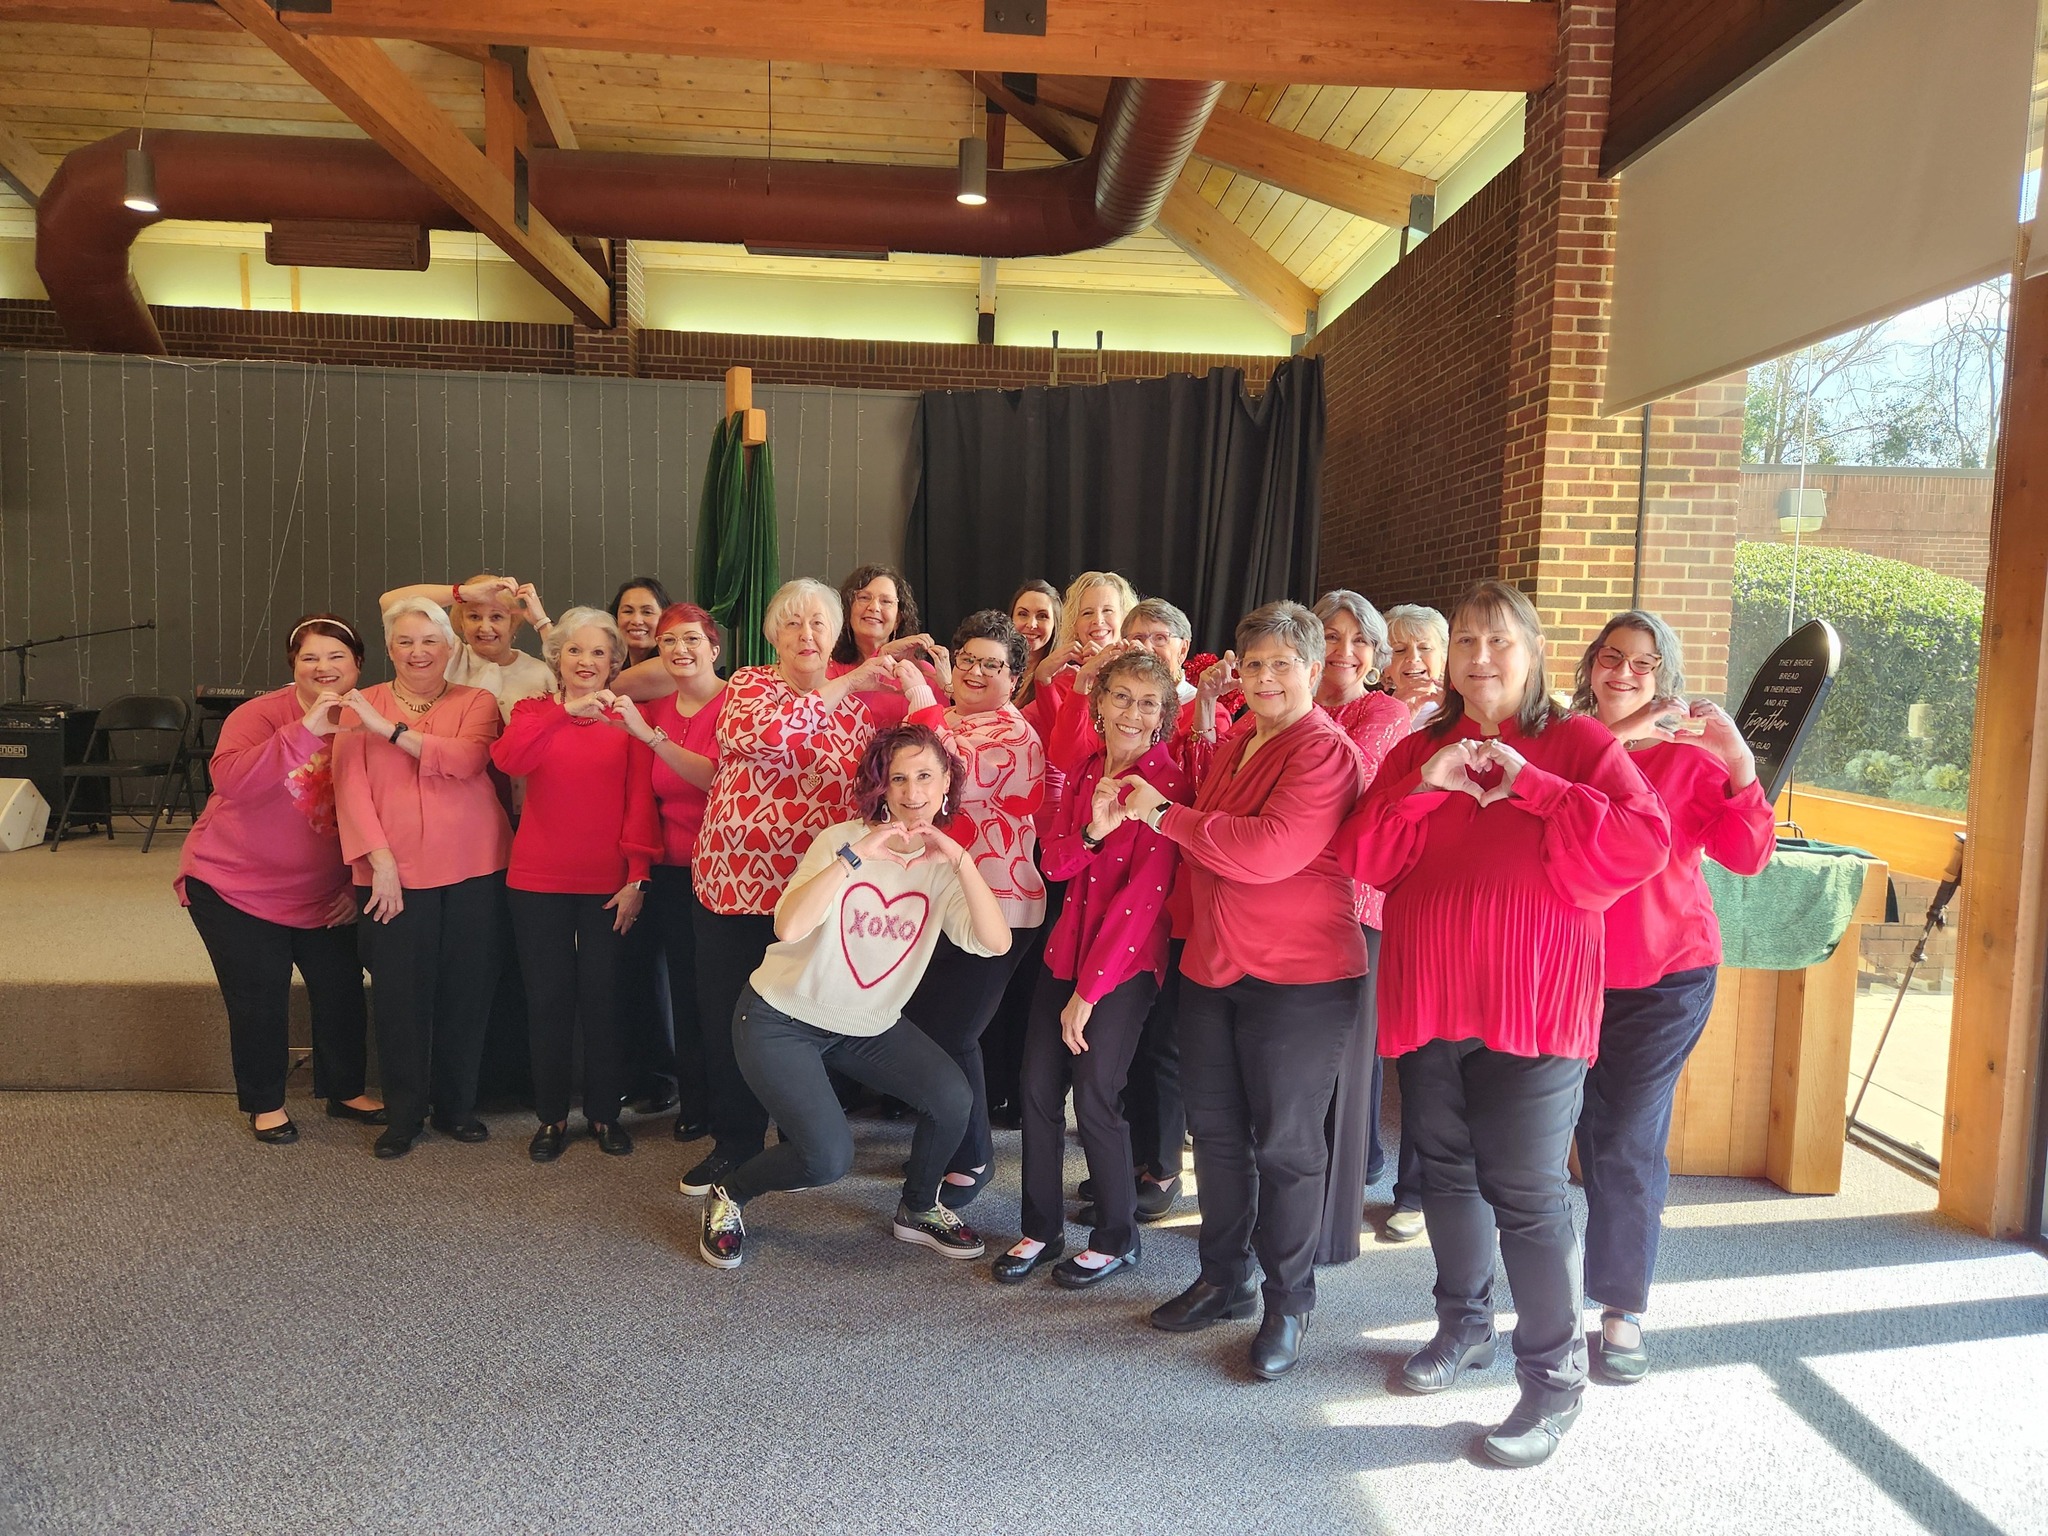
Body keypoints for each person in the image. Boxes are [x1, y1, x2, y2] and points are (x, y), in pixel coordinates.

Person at [1339, 580, 1669, 1469]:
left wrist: (1537, 786)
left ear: (1534, 654)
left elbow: (1644, 842)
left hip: (1535, 1000)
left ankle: (1554, 1382)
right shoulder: (1422, 746)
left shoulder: (1579, 742)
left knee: (1526, 1191)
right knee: (1446, 1173)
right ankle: (1464, 1325)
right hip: (1433, 991)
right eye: (1466, 642)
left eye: (1500, 642)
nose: (1481, 657)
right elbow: (1360, 855)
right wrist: (1425, 787)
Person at [1119, 601, 1367, 1382]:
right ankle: (1225, 1279)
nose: (1265, 678)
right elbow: (1215, 843)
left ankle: (1289, 1304)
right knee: (1218, 1138)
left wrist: (1166, 815)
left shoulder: (1323, 750)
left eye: (1281, 664)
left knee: (1286, 1147)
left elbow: (1267, 852)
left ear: (1313, 669)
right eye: (1253, 664)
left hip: (1300, 978)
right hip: (1215, 967)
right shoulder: (1237, 740)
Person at [694, 724, 1012, 1270]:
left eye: (925, 777)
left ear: (946, 785)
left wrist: (960, 859)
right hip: (780, 1016)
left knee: (952, 1098)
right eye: (899, 779)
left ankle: (918, 1207)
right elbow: (788, 927)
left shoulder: (945, 868)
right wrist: (855, 855)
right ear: (882, 787)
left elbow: (995, 942)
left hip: (866, 1022)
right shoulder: (840, 841)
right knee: (826, 1159)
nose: (912, 792)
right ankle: (731, 1192)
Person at [663, 578, 937, 1198]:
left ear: (835, 634)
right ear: (773, 635)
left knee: (802, 1017)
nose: (807, 634)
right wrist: (848, 681)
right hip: (735, 887)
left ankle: (800, 1143)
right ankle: (734, 1143)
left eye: (818, 624)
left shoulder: (858, 713)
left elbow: (873, 793)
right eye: (793, 623)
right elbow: (766, 736)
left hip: (813, 895)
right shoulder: (748, 686)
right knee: (729, 1018)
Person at [1571, 611, 1774, 1383]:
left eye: (1645, 664)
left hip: (1666, 976)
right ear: (1591, 665)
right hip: (1565, 972)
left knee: (1625, 1138)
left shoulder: (1690, 760)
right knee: (1564, 1134)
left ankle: (1621, 1308)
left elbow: (1748, 856)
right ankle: (1548, 1288)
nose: (1626, 673)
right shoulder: (1565, 743)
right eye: (1613, 657)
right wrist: (1621, 736)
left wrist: (1740, 761)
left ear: (1665, 676)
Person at [997, 651, 1190, 1289]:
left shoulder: (1165, 785)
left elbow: (1144, 902)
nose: (1133, 712)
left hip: (1122, 967)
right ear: (1100, 703)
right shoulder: (1083, 770)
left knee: (1097, 1096)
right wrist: (1092, 835)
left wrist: (1088, 992)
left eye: (1148, 703)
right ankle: (1041, 1228)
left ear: (1163, 716)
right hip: (1064, 952)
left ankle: (1116, 1237)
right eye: (1122, 697)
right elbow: (1054, 864)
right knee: (1036, 1089)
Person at [176, 614, 382, 1143]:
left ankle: (345, 1090)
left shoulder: (371, 715)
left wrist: (352, 885)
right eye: (310, 657)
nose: (323, 667)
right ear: (294, 665)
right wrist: (306, 729)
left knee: (341, 991)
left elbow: (383, 807)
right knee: (259, 997)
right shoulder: (260, 714)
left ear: (358, 663)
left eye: (336, 656)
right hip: (235, 885)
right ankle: (265, 1103)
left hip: (326, 893)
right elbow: (230, 780)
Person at [333, 598, 513, 1159]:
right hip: (392, 874)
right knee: (398, 996)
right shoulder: (359, 704)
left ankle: (457, 1106)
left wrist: (388, 731)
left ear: (451, 647)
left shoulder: (477, 701)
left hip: (475, 866)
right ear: (389, 649)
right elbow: (349, 788)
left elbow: (465, 761)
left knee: (468, 990)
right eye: (405, 642)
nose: (418, 652)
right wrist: (380, 862)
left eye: (430, 640)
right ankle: (405, 1113)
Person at [491, 608, 664, 1163]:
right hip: (536, 878)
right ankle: (551, 1117)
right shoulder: (533, 711)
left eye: (598, 653)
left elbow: (640, 802)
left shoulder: (629, 718)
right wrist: (565, 713)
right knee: (547, 999)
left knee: (604, 998)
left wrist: (638, 876)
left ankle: (604, 1114)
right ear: (556, 657)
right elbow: (509, 759)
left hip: (609, 882)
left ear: (614, 663)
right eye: (574, 650)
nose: (586, 661)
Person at [899, 611, 1046, 1208]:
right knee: (933, 1029)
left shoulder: (1016, 735)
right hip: (938, 901)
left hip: (999, 904)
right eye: (968, 660)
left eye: (993, 665)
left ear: (1015, 677)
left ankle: (972, 1155)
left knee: (954, 1032)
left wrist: (920, 697)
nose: (977, 672)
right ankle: (948, 1142)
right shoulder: (950, 719)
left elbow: (950, 776)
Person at [1306, 590, 1412, 1266]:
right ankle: (1282, 1212)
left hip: (1356, 908)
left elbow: (1343, 785)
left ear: (1376, 657)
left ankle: (1329, 1230)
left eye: (1360, 641)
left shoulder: (1385, 713)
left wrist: (1294, 714)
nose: (1345, 651)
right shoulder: (1287, 706)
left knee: (1345, 1070)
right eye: (1330, 636)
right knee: (1293, 1070)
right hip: (1288, 907)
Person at [636, 603, 728, 1145]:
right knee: (685, 991)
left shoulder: (737, 702)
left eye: (691, 639)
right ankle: (695, 1102)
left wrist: (654, 741)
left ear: (714, 648)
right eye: (668, 641)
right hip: (672, 870)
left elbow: (716, 777)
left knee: (726, 991)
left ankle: (735, 1102)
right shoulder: (655, 709)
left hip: (729, 870)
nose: (680, 649)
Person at [376, 574, 556, 719]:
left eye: (496, 617)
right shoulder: (449, 654)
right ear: (461, 622)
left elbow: (569, 672)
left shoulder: (542, 673)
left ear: (513, 622)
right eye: (474, 617)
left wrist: (542, 622)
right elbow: (389, 602)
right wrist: (465, 593)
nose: (485, 628)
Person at [829, 563, 946, 732]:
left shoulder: (922, 672)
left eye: (886, 601)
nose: (874, 607)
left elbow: (939, 735)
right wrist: (880, 656)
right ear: (848, 610)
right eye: (864, 597)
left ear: (898, 618)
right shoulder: (828, 666)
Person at [1384, 603, 1449, 730]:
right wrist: (1393, 717)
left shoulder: (1465, 711)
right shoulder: (1373, 715)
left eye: (1425, 648)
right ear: (1384, 665)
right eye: (1399, 650)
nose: (1413, 658)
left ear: (1444, 659)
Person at [1008, 579, 1062, 711]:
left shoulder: (1063, 677)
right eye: (1023, 614)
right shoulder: (996, 667)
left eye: (1042, 616)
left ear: (1055, 624)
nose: (1031, 624)